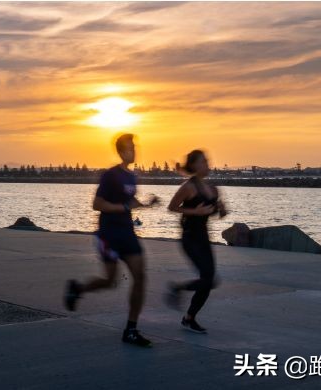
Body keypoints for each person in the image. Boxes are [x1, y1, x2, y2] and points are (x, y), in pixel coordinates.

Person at [64, 133, 159, 347]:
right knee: (109, 281)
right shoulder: (110, 175)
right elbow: (97, 204)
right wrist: (123, 207)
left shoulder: (131, 176)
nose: (134, 151)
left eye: (134, 147)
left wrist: (146, 204)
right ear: (121, 151)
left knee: (140, 277)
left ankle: (131, 329)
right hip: (109, 234)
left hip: (127, 234)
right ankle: (78, 289)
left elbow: (129, 201)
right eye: (130, 148)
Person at [165, 149, 227, 333]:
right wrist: (195, 212)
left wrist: (222, 209)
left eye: (207, 160)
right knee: (207, 279)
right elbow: (172, 207)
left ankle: (189, 318)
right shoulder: (188, 187)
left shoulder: (213, 189)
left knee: (210, 280)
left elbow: (217, 214)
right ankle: (178, 290)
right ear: (194, 165)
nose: (207, 164)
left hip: (203, 237)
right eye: (203, 161)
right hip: (190, 237)